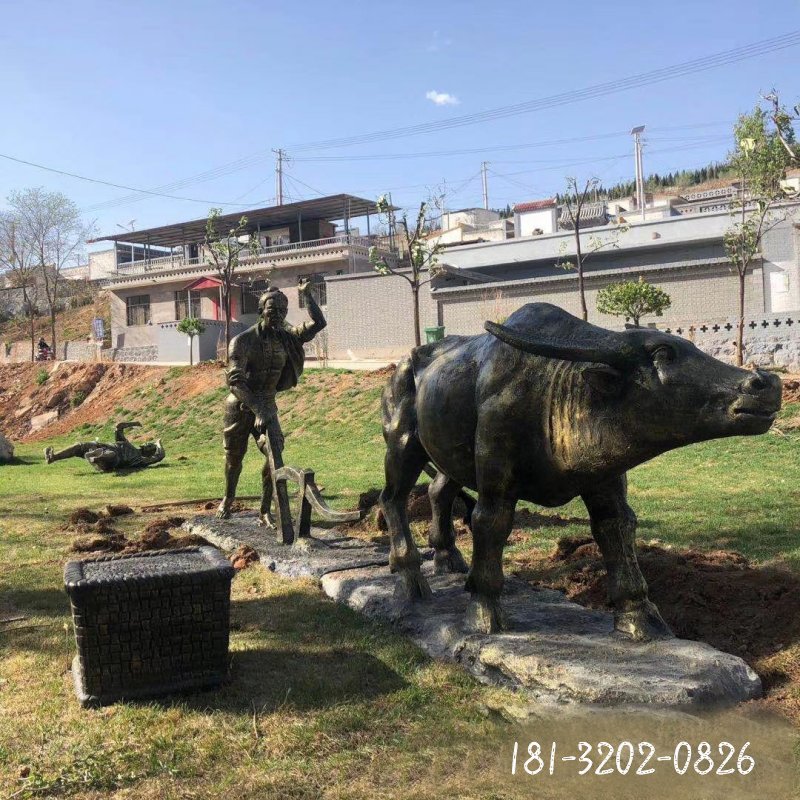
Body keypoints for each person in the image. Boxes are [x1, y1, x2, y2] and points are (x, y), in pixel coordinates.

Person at [217, 279, 326, 524]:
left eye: (282, 310)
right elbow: (235, 382)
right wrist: (257, 410)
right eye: (272, 309)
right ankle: (228, 498)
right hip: (240, 405)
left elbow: (319, 323)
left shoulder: (287, 338)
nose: (277, 314)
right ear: (261, 310)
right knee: (234, 459)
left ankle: (265, 510)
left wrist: (306, 295)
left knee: (273, 456)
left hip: (267, 405)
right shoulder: (243, 341)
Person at [44, 421, 164, 472]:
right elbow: (119, 427)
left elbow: (160, 456)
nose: (148, 444)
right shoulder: (125, 443)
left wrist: (158, 443)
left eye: (150, 446)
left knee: (111, 454)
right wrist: (133, 423)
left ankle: (95, 457)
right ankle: (53, 457)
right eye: (150, 443)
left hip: (111, 462)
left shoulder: (140, 460)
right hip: (101, 447)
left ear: (149, 453)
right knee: (80, 445)